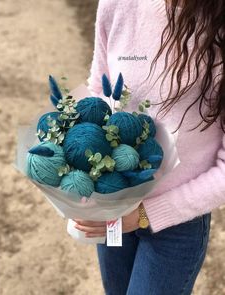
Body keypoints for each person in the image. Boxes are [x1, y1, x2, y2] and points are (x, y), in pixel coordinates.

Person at [74, 0, 225, 294]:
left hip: (177, 224)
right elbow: (99, 91)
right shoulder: (117, 4)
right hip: (114, 201)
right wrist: (78, 166)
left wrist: (145, 215)